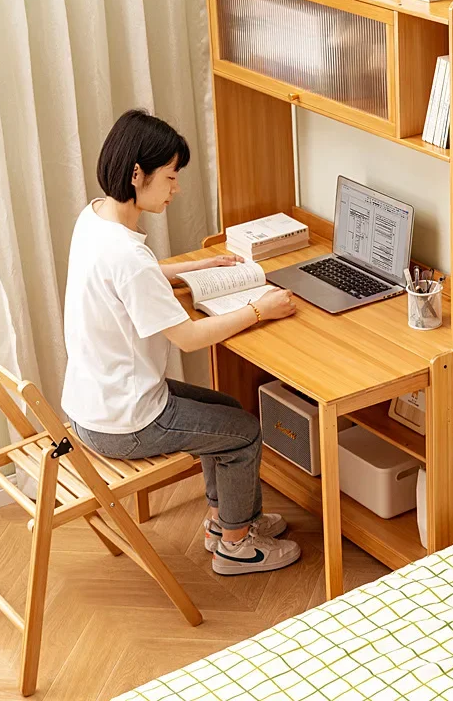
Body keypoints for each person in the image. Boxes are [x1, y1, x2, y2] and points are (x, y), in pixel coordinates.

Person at [61, 109, 301, 575]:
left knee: (228, 410)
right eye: (170, 177)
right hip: (126, 421)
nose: (176, 188)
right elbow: (189, 339)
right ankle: (236, 547)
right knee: (243, 432)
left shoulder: (94, 218)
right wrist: (258, 310)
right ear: (138, 174)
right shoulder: (127, 254)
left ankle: (229, 520)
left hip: (90, 403)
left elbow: (133, 276)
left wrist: (198, 268)